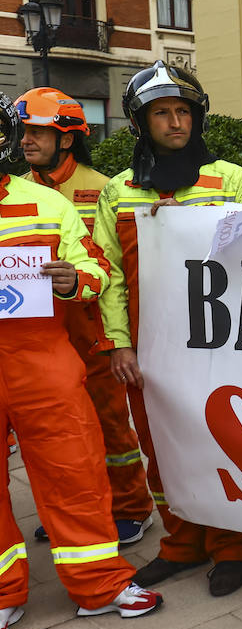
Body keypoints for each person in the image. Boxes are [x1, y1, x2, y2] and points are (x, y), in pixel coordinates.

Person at [93, 61, 242, 598]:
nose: (175, 123)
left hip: (220, 348)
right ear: (140, 122)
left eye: (182, 112)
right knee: (161, 448)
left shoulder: (233, 179)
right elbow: (108, 275)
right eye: (161, 113)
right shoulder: (119, 192)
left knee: (223, 444)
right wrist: (120, 343)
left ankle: (232, 546)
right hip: (150, 351)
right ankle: (181, 541)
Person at [0, 91, 163, 629]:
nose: (26, 140)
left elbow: (97, 266)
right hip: (48, 354)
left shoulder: (48, 203)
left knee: (76, 466)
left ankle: (98, 581)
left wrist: (76, 281)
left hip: (47, 355)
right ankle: (3, 594)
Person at [17, 87, 155, 548]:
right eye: (25, 131)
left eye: (39, 132)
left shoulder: (100, 188)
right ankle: (74, 513)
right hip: (39, 332)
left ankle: (132, 508)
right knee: (55, 436)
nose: (27, 140)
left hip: (91, 328)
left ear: (67, 139)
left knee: (110, 425)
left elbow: (108, 265)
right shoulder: (17, 189)